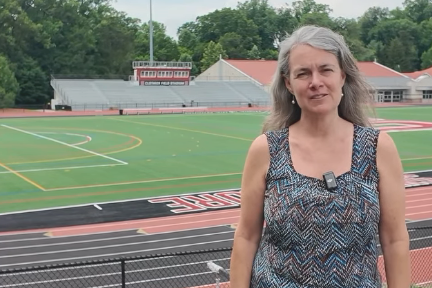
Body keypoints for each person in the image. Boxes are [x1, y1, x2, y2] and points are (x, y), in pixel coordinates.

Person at [229, 25, 411, 287]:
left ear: (343, 76)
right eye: (303, 73)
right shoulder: (266, 149)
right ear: (289, 84)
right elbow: (246, 236)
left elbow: (395, 239)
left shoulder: (377, 148)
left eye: (326, 69)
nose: (316, 82)